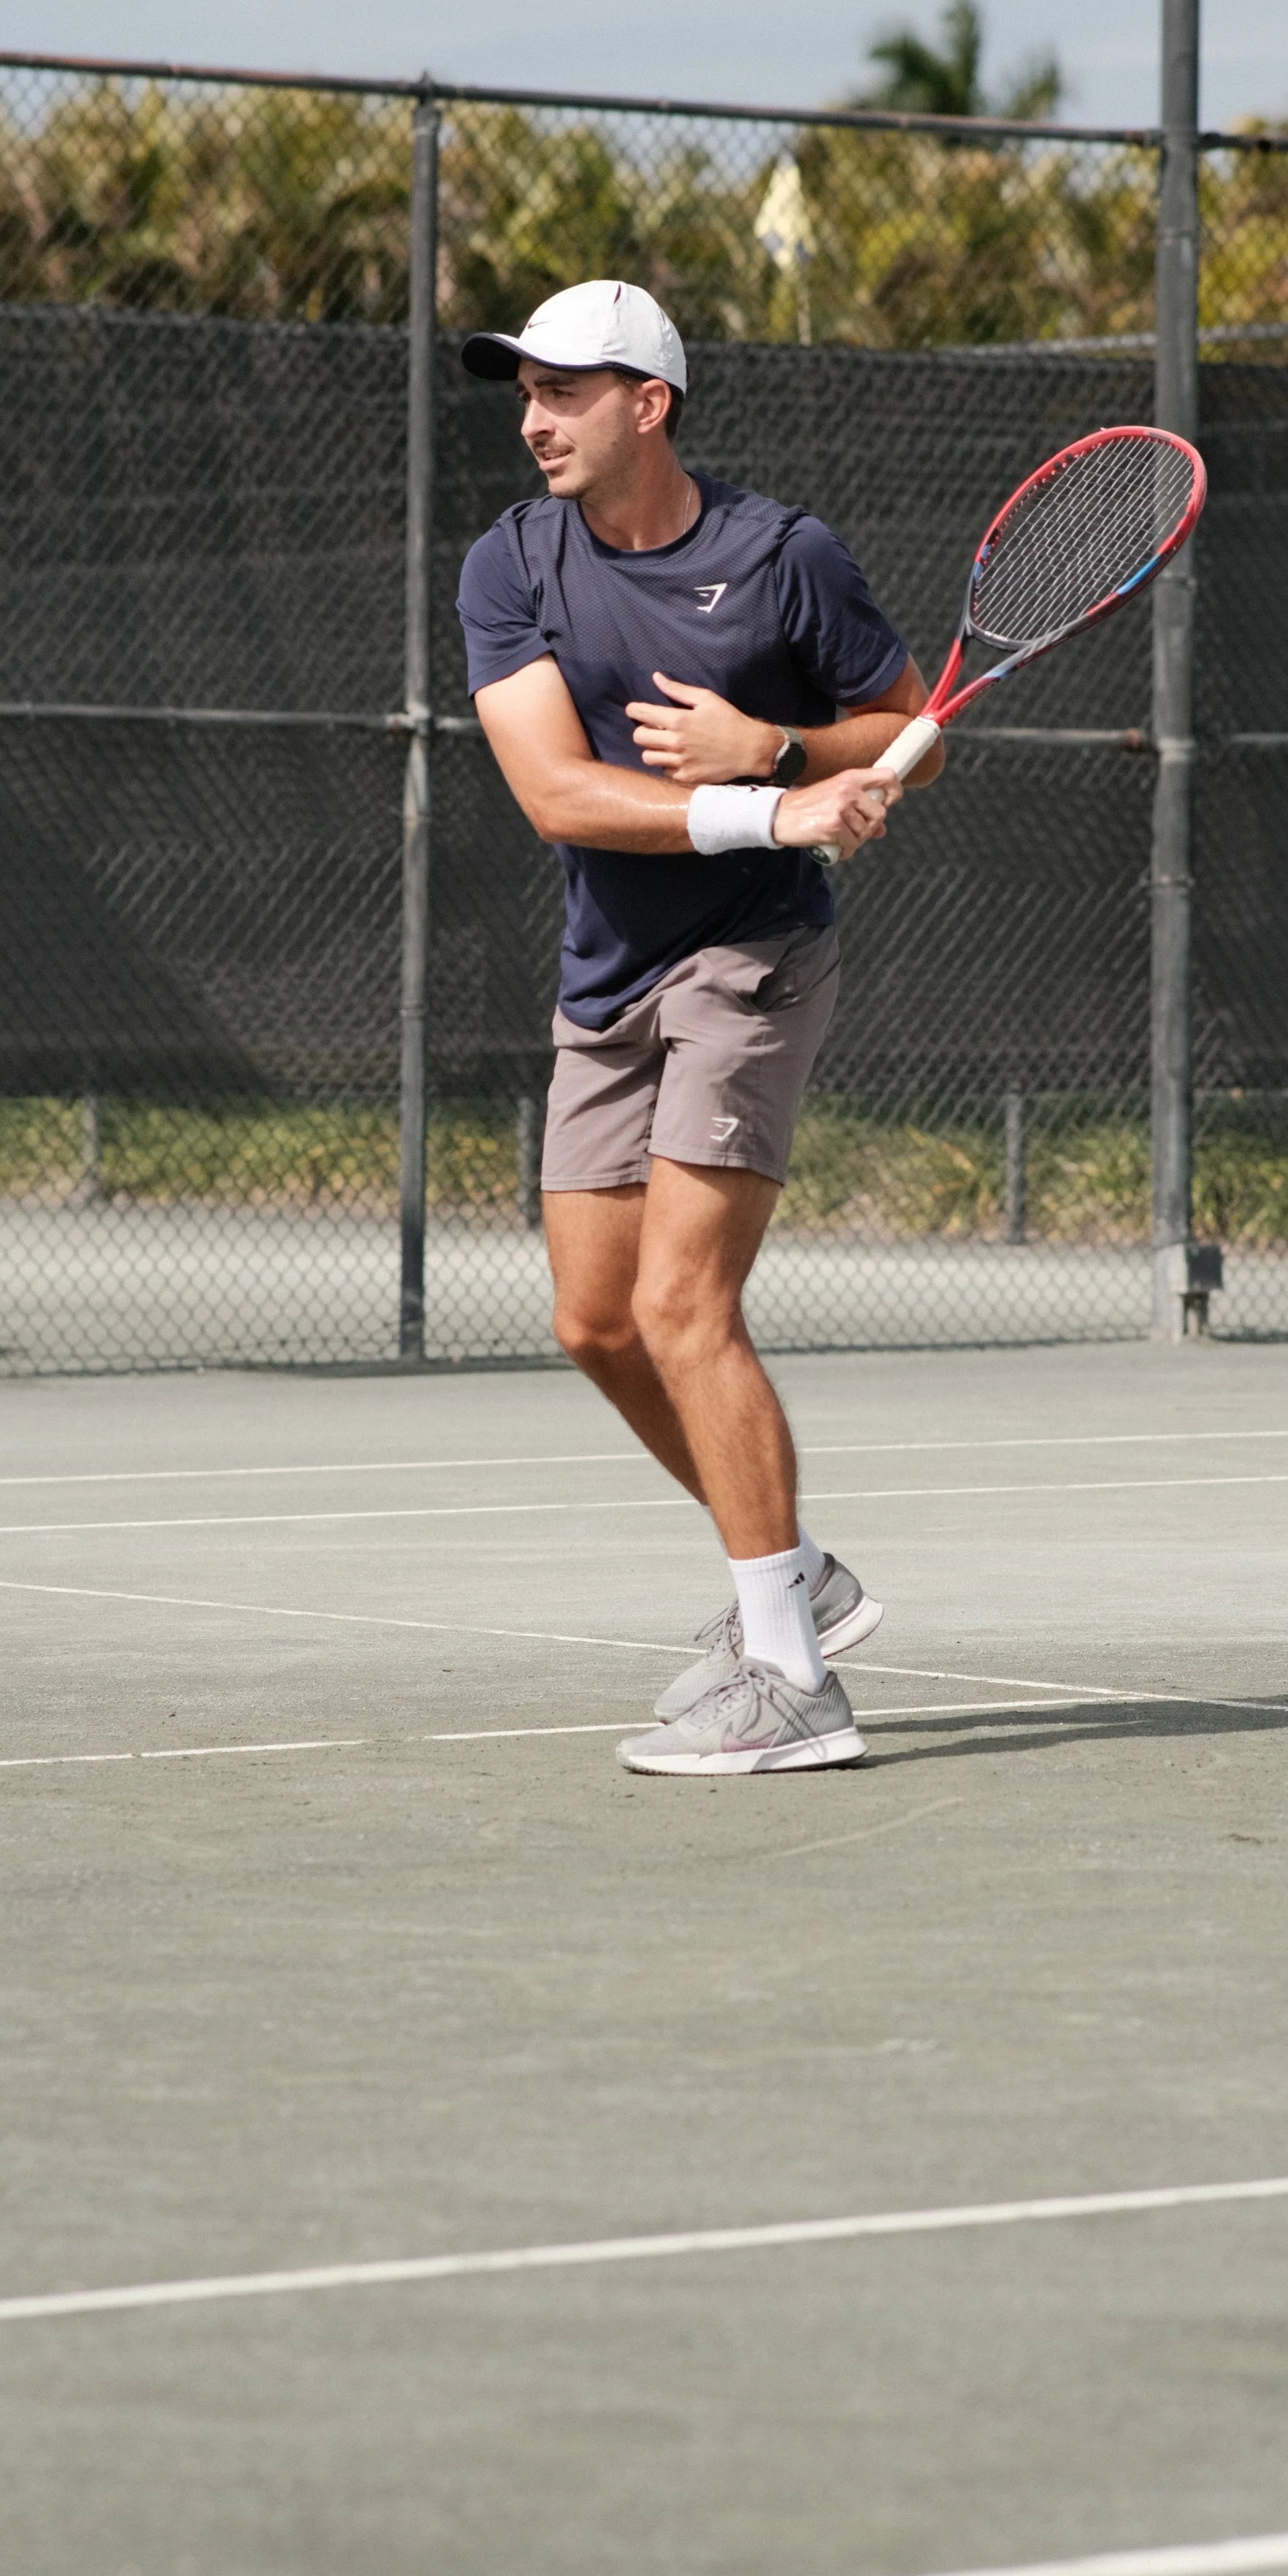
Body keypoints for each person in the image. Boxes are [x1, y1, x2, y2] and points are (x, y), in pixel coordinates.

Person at [456, 280, 943, 1778]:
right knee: (595, 1324)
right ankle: (793, 1572)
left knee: (682, 1304)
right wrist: (769, 802)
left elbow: (906, 724)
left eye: (564, 391)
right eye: (523, 390)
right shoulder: (510, 562)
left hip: (751, 954)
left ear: (646, 405)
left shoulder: (783, 555)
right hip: (605, 966)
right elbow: (556, 794)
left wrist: (786, 747)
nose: (533, 417)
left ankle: (790, 1683)